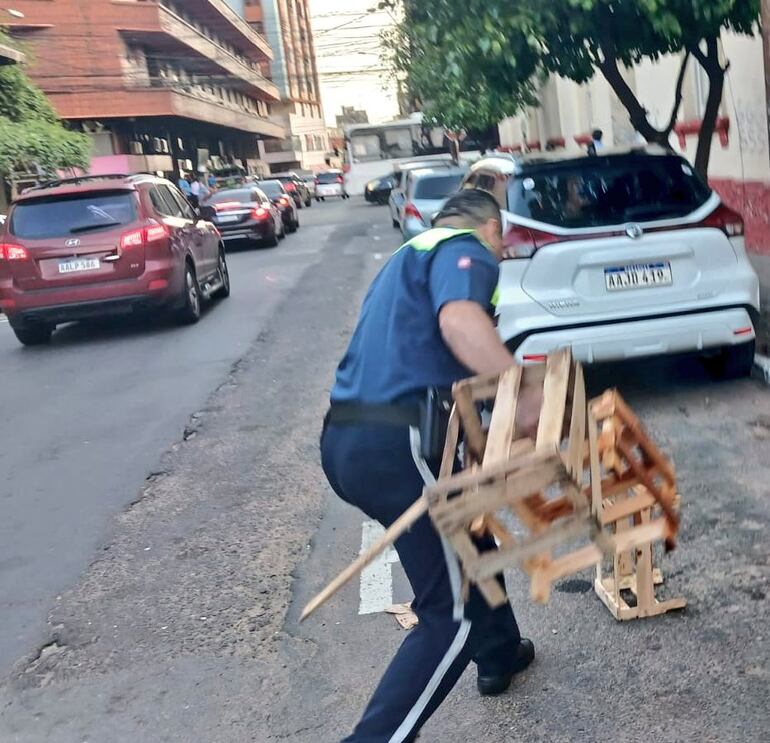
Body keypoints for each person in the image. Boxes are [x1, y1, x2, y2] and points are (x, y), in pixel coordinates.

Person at [321, 190, 541, 743]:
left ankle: (499, 653)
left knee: (466, 527)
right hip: (396, 443)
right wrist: (527, 397)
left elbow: (434, 364)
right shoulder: (464, 248)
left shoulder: (404, 261)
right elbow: (462, 326)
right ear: (490, 227)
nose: (501, 251)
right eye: (501, 238)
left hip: (348, 440)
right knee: (450, 612)